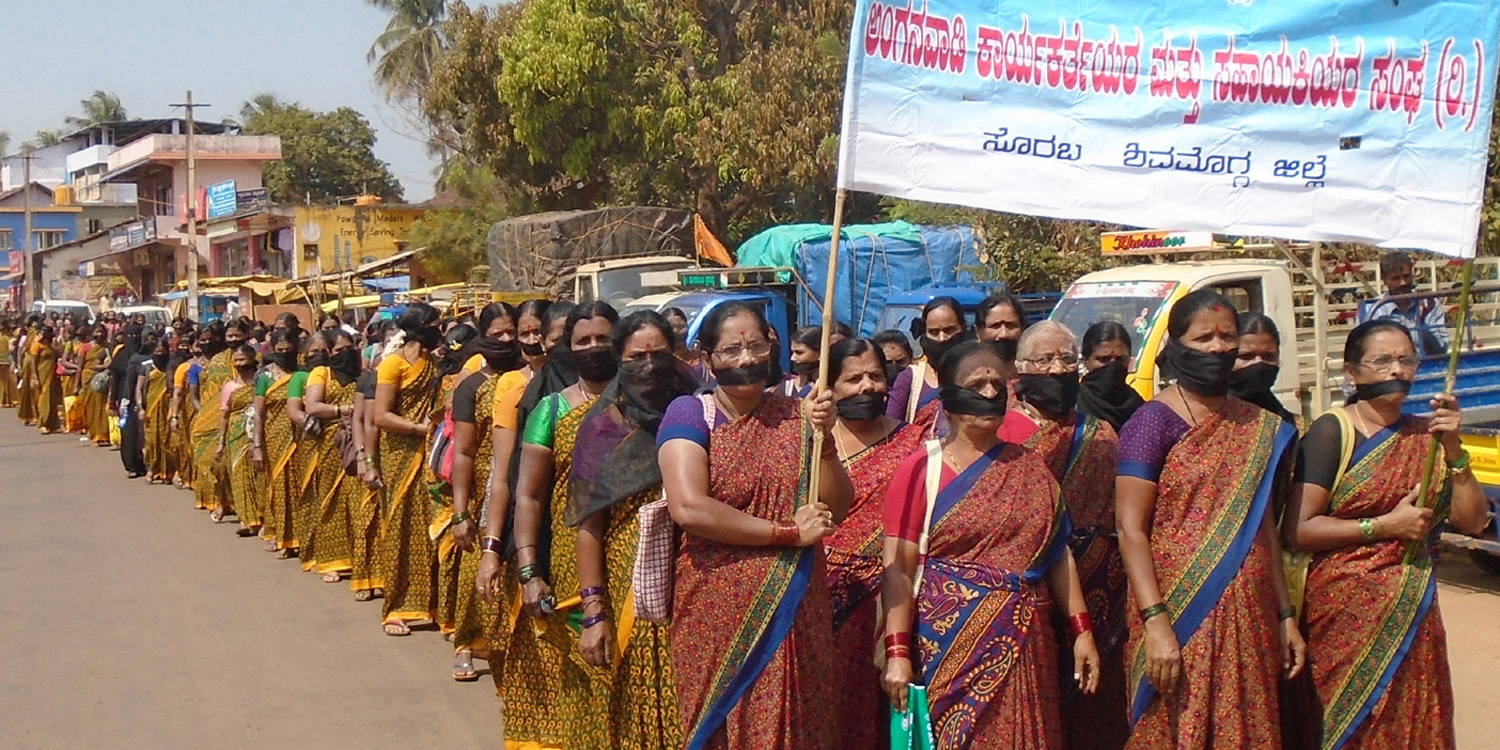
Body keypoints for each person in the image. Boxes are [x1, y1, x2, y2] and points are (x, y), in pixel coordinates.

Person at [881, 340, 1100, 748]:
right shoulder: (919, 471)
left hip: (1025, 646)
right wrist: (897, 653)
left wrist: (1081, 630)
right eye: (976, 384)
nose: (987, 393)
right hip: (946, 646)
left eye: (996, 384)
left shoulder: (1031, 470)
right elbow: (899, 566)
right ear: (947, 394)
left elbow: (1057, 557)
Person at [657, 302, 852, 750]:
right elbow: (689, 508)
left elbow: (835, 508)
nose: (746, 360)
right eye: (731, 350)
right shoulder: (690, 414)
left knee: (797, 720)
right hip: (716, 607)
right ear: (707, 359)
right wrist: (785, 533)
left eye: (756, 346)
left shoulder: (797, 415)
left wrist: (825, 445)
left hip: (795, 605)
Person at [1115, 290, 1305, 748]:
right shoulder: (1152, 423)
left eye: (1227, 337)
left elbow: (1262, 529)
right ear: (1176, 345)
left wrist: (1284, 616)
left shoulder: (1259, 427)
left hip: (1251, 615)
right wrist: (1156, 622)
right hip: (1177, 613)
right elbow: (1130, 529)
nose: (1218, 348)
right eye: (1203, 337)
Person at [1284, 320, 1487, 749]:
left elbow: (1473, 523)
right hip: (1342, 615)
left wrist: (1454, 449)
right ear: (1352, 373)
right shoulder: (1332, 431)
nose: (1396, 370)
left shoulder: (1425, 436)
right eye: (1382, 361)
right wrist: (1382, 527)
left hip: (1412, 613)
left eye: (1405, 360)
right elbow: (1298, 529)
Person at [568, 310, 697, 749]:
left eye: (658, 355)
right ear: (619, 361)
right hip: (631, 583)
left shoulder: (701, 412)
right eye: (636, 356)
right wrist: (594, 613)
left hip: (698, 574)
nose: (648, 365)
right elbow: (589, 525)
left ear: (675, 355)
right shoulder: (602, 428)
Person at [1008, 321, 1130, 748]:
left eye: (1066, 359)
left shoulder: (1101, 434)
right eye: (1044, 360)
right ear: (1021, 370)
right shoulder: (1003, 436)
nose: (1058, 369)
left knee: (1096, 708)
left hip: (1101, 588)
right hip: (1033, 591)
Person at [506, 300, 620, 746]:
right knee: (583, 677)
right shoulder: (551, 410)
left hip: (641, 564)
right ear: (567, 349)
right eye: (582, 341)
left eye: (603, 339)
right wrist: (530, 571)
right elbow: (529, 496)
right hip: (573, 564)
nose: (593, 347)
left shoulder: (646, 404)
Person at [821, 337, 924, 749]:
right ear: (830, 388)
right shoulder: (810, 446)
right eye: (853, 379)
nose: (867, 387)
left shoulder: (915, 444)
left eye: (875, 376)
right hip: (821, 602)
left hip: (892, 600)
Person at [443, 302, 522, 681]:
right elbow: (464, 450)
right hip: (486, 486)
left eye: (512, 333)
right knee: (479, 566)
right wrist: (461, 511)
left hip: (524, 483)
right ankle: (468, 643)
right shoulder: (472, 386)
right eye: (498, 335)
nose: (507, 340)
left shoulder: (529, 378)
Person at [370, 302, 446, 635]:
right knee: (399, 526)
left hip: (430, 455)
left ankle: (431, 603)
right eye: (434, 324)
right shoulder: (392, 366)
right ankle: (397, 608)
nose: (439, 329)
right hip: (400, 454)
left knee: (430, 526)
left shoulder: (435, 364)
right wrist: (420, 429)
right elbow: (381, 415)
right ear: (418, 327)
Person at [301, 329, 365, 587]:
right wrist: (344, 410)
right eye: (339, 351)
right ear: (329, 353)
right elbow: (313, 406)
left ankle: (360, 559)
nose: (346, 354)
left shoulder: (361, 373)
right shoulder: (322, 373)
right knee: (332, 499)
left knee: (359, 501)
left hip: (358, 442)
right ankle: (331, 560)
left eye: (350, 348)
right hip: (332, 445)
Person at [253, 329, 307, 558]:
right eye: (280, 350)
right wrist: (257, 446)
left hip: (304, 438)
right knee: (280, 487)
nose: (285, 353)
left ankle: (304, 537)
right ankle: (284, 537)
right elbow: (258, 413)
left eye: (289, 349)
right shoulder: (265, 376)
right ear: (273, 351)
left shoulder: (305, 373)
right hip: (275, 439)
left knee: (302, 487)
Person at [887, 296, 972, 433]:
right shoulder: (910, 379)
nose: (942, 338)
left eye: (949, 330)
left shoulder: (978, 375)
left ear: (963, 328)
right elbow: (891, 433)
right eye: (934, 332)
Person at [1358, 251, 1450, 356]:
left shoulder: (1428, 303)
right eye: (1396, 278)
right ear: (1384, 280)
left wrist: (1423, 323)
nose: (1403, 283)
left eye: (1406, 276)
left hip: (1426, 368)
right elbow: (1364, 352)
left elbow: (1441, 349)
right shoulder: (1373, 309)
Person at [192, 321, 241, 518]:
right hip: (211, 420)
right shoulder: (216, 361)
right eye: (231, 336)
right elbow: (204, 393)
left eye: (237, 335)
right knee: (211, 461)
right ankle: (221, 500)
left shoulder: (251, 358)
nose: (233, 340)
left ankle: (239, 504)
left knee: (235, 464)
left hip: (239, 416)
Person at [218, 344, 265, 535]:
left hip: (258, 432)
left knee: (259, 476)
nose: (239, 364)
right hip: (236, 435)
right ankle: (248, 520)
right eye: (236, 361)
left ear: (253, 360)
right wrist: (221, 441)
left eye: (242, 360)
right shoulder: (230, 386)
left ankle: (264, 518)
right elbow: (224, 414)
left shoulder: (261, 381)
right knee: (239, 475)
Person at [1229, 312, 1299, 426]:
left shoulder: (1290, 426)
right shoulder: (1208, 422)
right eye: (1246, 356)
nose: (1259, 363)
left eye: (1269, 356)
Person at [1078, 321, 1145, 433]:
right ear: (1086, 361)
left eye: (1120, 359)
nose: (1113, 366)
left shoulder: (1139, 408)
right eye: (1104, 359)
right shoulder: (1073, 405)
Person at [139, 338, 176, 484]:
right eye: (157, 352)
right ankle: (152, 469)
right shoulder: (147, 367)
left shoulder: (170, 366)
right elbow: (139, 388)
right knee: (152, 441)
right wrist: (140, 407)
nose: (160, 354)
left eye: (163, 352)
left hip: (167, 407)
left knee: (168, 440)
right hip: (151, 410)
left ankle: (168, 471)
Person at [781, 323, 851, 398]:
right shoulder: (787, 388)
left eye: (799, 352)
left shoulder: (840, 388)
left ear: (820, 353)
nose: (792, 358)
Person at [33, 325, 63, 434]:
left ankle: (53, 424)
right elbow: (33, 362)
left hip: (51, 376)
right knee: (44, 399)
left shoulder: (50, 347)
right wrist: (34, 376)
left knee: (52, 400)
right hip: (41, 375)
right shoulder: (37, 346)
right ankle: (43, 423)